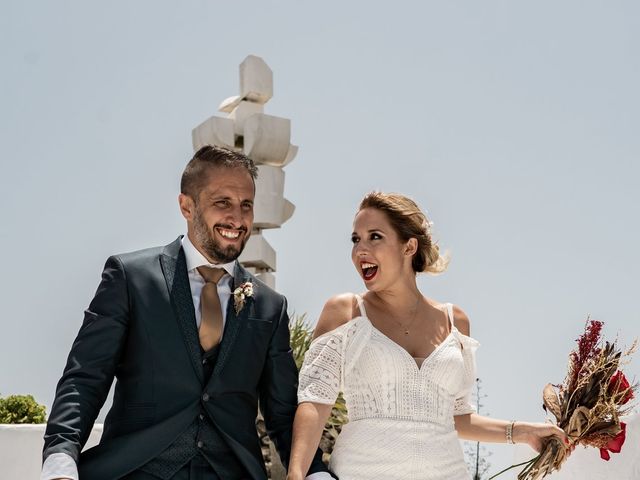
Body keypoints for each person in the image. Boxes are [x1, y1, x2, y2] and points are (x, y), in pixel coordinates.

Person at [42, 145, 331, 480]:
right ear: (187, 205)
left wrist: (316, 474)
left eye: (246, 206)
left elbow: (282, 415)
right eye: (222, 202)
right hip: (137, 470)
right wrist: (60, 457)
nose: (237, 218)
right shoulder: (130, 277)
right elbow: (85, 378)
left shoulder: (270, 306)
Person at [286, 192, 567, 480]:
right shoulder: (346, 312)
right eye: (355, 239)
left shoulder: (455, 321)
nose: (361, 250)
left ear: (408, 247)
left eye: (375, 237)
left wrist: (521, 431)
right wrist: (295, 474)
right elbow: (315, 402)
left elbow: (457, 417)